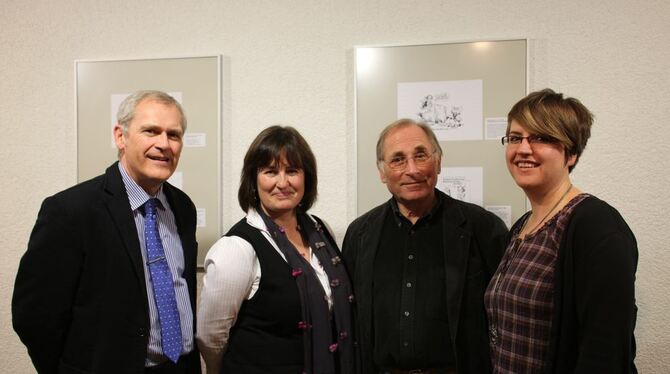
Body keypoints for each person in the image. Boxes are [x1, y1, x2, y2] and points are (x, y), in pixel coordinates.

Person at [12, 90, 201, 374]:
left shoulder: (183, 208)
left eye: (173, 135)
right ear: (120, 136)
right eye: (151, 131)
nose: (164, 144)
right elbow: (34, 316)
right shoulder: (71, 211)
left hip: (178, 366)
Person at [484, 89, 638, 373]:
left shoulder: (596, 226)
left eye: (541, 137)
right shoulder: (523, 225)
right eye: (515, 137)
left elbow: (606, 352)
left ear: (572, 153)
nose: (523, 149)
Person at [342, 119, 508, 374]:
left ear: (438, 162)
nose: (412, 169)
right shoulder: (360, 234)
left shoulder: (483, 228)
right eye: (398, 159)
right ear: (382, 172)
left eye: (421, 155)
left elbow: (504, 316)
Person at [197, 125, 355, 374]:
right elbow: (210, 336)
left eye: (292, 170)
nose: (283, 183)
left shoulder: (320, 230)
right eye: (271, 171)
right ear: (253, 179)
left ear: (306, 177)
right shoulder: (236, 249)